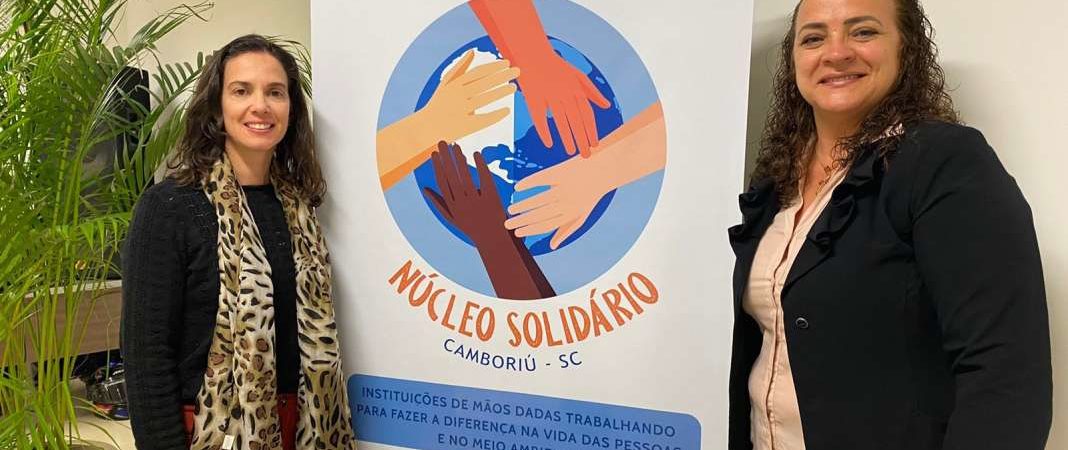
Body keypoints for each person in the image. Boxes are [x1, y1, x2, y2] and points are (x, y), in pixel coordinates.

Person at [727, 0, 1051, 449]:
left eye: (863, 32)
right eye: (814, 38)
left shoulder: (944, 164)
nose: (836, 52)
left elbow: (1006, 376)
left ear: (907, 48)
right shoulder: (774, 180)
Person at [121, 34, 355, 450]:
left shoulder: (299, 207)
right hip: (208, 431)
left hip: (303, 428)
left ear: (291, 109)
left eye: (275, 92)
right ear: (216, 106)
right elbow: (146, 358)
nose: (260, 106)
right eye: (241, 91)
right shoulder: (170, 207)